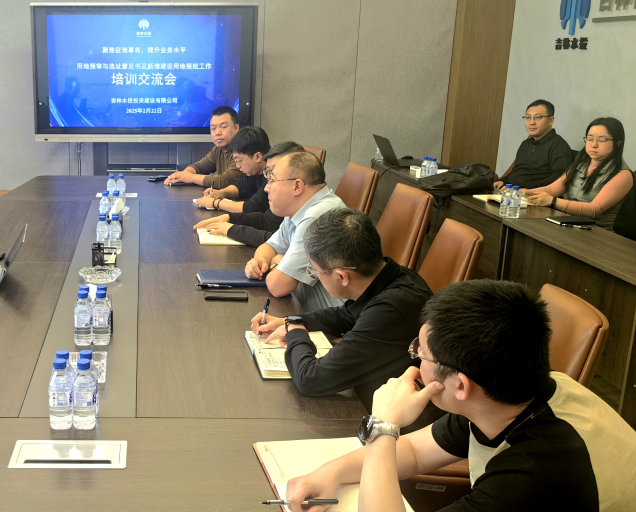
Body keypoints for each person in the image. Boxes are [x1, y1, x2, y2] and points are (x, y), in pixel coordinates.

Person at [282, 280, 636, 512]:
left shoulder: (533, 476)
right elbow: (416, 452)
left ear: (460, 385)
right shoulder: (508, 397)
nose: (414, 362)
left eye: (420, 354)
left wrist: (382, 427)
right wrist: (328, 474)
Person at [249, 208, 442, 429]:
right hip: (370, 399)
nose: (315, 277)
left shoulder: (391, 310)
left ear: (342, 276)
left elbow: (310, 379)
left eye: (315, 272)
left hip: (396, 424)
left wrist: (295, 332)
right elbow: (345, 316)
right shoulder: (392, 275)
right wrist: (291, 320)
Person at [244, 151, 345, 310]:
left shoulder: (318, 216)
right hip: (301, 307)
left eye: (272, 180)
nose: (267, 188)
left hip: (332, 321)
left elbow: (278, 287)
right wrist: (260, 261)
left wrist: (276, 263)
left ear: (297, 186)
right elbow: (269, 246)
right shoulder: (299, 208)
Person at [523, 117, 632, 231]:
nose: (594, 144)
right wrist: (522, 192)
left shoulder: (623, 175)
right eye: (590, 138)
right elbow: (551, 190)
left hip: (596, 232)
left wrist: (553, 201)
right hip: (568, 224)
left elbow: (594, 209)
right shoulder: (581, 164)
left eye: (602, 140)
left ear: (618, 143)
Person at [192, 141, 305, 247]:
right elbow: (267, 222)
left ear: (297, 186)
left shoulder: (309, 217)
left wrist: (231, 228)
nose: (267, 188)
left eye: (273, 176)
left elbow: (278, 242)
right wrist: (229, 218)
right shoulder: (288, 210)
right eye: (268, 174)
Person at [494, 99, 573, 190]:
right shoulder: (525, 144)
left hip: (535, 195)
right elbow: (518, 171)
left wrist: (528, 190)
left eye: (538, 117)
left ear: (550, 120)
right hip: (512, 192)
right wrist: (503, 182)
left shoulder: (559, 145)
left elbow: (559, 177)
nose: (531, 122)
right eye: (528, 117)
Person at [193, 126, 270, 212]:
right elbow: (240, 187)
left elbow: (253, 207)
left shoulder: (273, 175)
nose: (237, 166)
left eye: (239, 161)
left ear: (258, 156)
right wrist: (219, 193)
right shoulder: (257, 171)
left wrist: (215, 203)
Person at [163, 106, 245, 188]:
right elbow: (200, 167)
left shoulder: (243, 150)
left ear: (236, 128)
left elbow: (225, 181)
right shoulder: (217, 150)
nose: (217, 132)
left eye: (223, 127)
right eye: (213, 128)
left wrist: (190, 177)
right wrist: (182, 176)